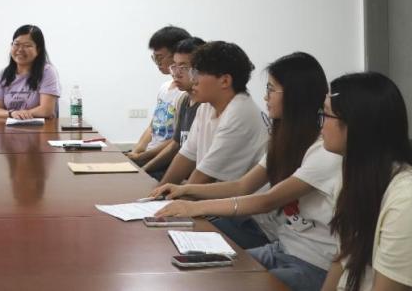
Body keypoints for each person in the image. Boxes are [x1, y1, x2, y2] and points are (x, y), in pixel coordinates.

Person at [152, 52, 339, 291]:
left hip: (312, 263)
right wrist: (185, 190)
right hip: (282, 248)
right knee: (208, 275)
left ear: (296, 95)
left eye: (271, 89)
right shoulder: (285, 140)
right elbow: (243, 185)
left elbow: (266, 201)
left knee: (231, 282)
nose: (265, 96)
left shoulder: (324, 151)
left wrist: (194, 206)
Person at [319, 72, 412, 291]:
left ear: (357, 125)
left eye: (326, 115)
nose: (320, 124)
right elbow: (343, 259)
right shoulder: (353, 178)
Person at [158, 40, 267, 186]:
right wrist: (158, 192)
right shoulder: (206, 106)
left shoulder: (239, 114)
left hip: (243, 200)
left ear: (225, 81)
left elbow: (205, 176)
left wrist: (170, 197)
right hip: (215, 195)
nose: (193, 79)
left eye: (197, 73)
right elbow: (187, 155)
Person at [127, 26, 191, 172]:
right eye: (154, 58)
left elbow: (176, 142)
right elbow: (152, 127)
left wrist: (142, 158)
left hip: (164, 161)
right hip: (148, 156)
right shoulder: (164, 87)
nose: (157, 63)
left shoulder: (185, 94)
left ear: (176, 55)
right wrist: (135, 152)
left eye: (160, 57)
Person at [141, 37, 205, 179]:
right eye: (174, 66)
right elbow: (176, 145)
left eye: (184, 68)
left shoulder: (206, 106)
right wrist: (143, 167)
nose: (176, 73)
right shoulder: (185, 100)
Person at [0, 25, 60, 119]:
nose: (20, 50)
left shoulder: (47, 72)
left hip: (41, 127)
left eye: (27, 46)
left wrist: (20, 115)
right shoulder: (4, 74)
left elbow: (46, 110)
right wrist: (12, 113)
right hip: (11, 126)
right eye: (16, 44)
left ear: (38, 50)